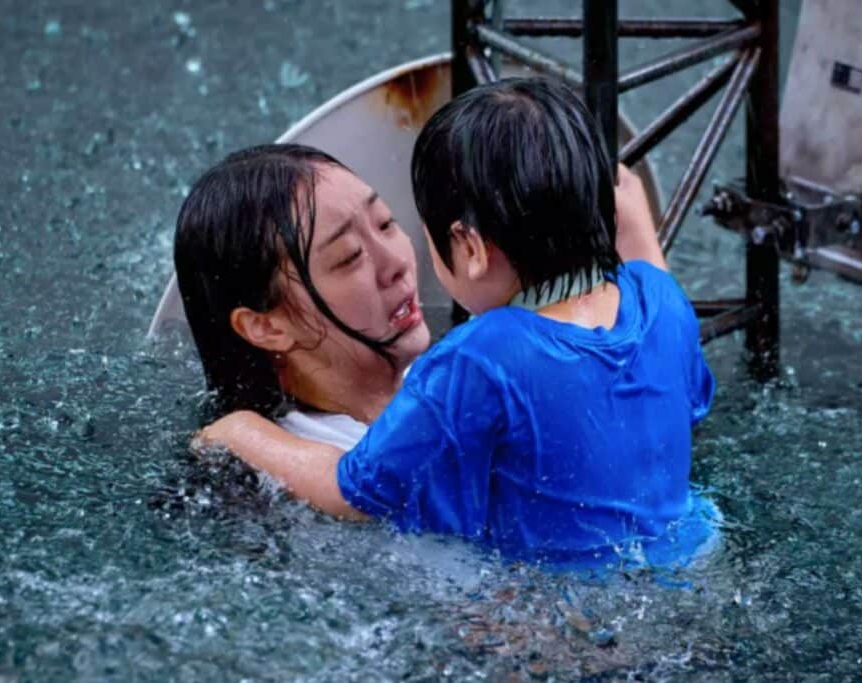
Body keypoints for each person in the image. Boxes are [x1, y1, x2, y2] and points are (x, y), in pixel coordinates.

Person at [198, 77, 717, 568]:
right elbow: (678, 384)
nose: (400, 262)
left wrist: (241, 433)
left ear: (468, 247)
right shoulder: (660, 300)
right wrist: (637, 235)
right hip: (694, 562)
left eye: (389, 224)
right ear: (264, 325)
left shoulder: (478, 356)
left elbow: (355, 490)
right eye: (350, 256)